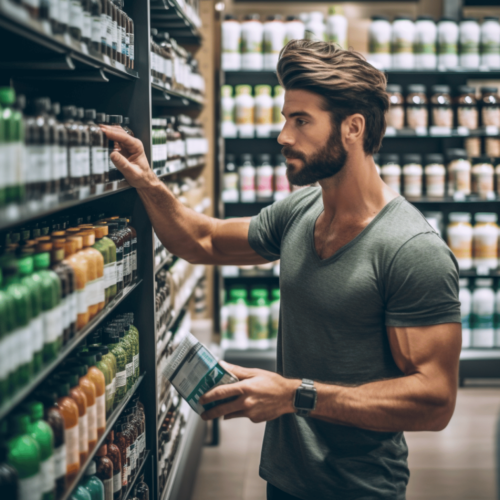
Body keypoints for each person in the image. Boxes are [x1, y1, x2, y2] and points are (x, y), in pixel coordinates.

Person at [101, 40, 462, 500]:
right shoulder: (303, 209)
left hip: (359, 488)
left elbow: (435, 401)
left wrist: (294, 395)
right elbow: (202, 239)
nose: (283, 136)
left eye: (301, 120)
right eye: (285, 119)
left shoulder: (411, 249)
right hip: (285, 477)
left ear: (353, 128)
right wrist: (145, 179)